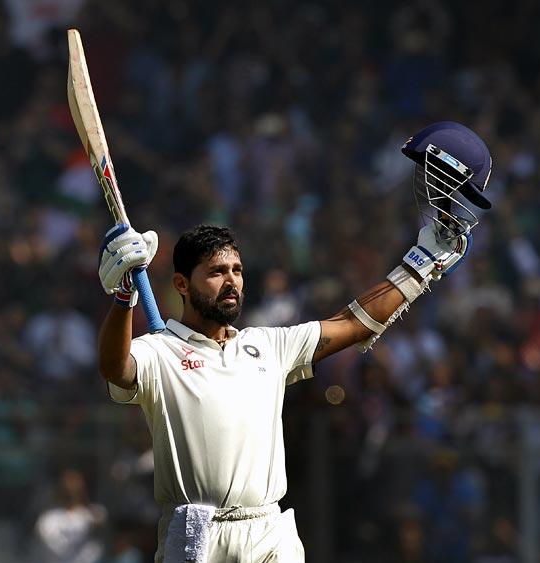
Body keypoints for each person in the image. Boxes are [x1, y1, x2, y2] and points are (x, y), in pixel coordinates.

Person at [96, 122, 492, 562]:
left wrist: (422, 264)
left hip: (269, 531)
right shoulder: (160, 351)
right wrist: (122, 298)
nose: (232, 282)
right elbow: (116, 368)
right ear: (181, 285)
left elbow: (353, 323)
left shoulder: (268, 345)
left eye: (237, 271)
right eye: (216, 272)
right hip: (196, 538)